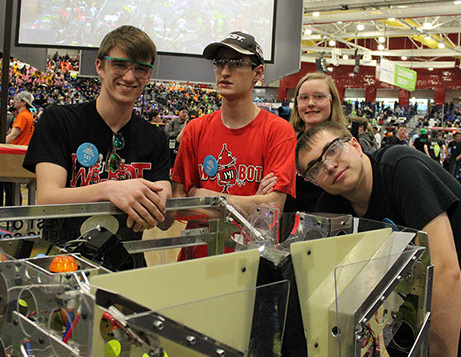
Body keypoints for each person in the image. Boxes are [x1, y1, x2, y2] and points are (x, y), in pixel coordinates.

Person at [295, 121, 461, 357]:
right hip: (410, 308)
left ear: (355, 145)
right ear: (313, 181)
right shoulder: (332, 208)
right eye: (315, 168)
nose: (329, 166)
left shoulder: (401, 167)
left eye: (332, 150)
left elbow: (445, 271)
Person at [23, 26, 171, 265]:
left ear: (149, 76)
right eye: (120, 65)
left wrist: (159, 206)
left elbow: (163, 211)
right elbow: (47, 198)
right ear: (100, 66)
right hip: (63, 263)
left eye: (141, 69)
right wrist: (108, 189)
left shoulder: (155, 138)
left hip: (127, 267)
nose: (130, 77)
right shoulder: (59, 120)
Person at [171, 31, 297, 257]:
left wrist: (201, 194)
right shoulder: (195, 130)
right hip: (196, 259)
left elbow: (272, 211)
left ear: (258, 73)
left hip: (252, 262)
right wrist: (251, 204)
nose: (225, 71)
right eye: (219, 63)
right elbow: (178, 204)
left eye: (237, 63)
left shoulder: (279, 132)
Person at [285, 72, 347, 212]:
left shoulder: (347, 145)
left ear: (332, 101)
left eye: (319, 97)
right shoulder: (288, 145)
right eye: (304, 98)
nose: (311, 103)